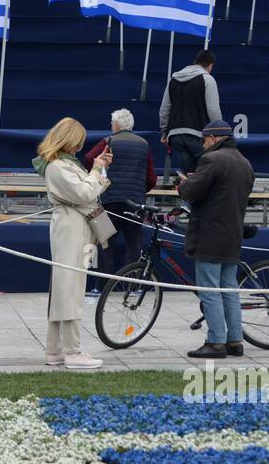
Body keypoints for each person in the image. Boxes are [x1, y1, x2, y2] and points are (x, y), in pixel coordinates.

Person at [34, 117, 112, 370]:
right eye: (77, 142)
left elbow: (86, 190)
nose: (79, 147)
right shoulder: (58, 166)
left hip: (76, 226)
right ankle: (72, 350)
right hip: (72, 227)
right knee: (70, 287)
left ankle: (56, 350)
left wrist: (98, 169)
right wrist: (96, 171)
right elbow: (85, 193)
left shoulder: (65, 163)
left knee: (66, 287)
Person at [178, 119, 254, 359]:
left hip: (209, 235)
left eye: (204, 140)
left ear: (213, 139)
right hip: (232, 235)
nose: (203, 144)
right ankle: (234, 341)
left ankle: (215, 342)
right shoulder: (244, 163)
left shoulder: (212, 159)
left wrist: (185, 184)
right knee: (229, 289)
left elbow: (192, 192)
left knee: (209, 290)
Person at [85, 109, 157, 286]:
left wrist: (98, 178)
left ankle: (102, 287)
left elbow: (88, 159)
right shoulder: (144, 144)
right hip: (135, 204)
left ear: (116, 125)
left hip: (108, 202)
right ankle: (131, 286)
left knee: (105, 245)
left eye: (111, 124)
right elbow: (152, 178)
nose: (111, 126)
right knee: (134, 245)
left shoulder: (108, 141)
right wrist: (139, 190)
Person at [159, 49, 222, 179]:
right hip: (199, 135)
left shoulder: (173, 79)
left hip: (175, 135)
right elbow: (213, 110)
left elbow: (164, 110)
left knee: (189, 174)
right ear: (210, 65)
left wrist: (164, 132)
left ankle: (189, 196)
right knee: (206, 172)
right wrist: (219, 134)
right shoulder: (208, 79)